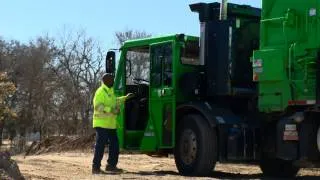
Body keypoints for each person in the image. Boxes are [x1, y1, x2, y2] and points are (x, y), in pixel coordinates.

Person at [92, 73, 132, 174]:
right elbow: (98, 106)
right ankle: (95, 168)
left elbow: (115, 101)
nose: (113, 81)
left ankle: (111, 166)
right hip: (101, 124)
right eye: (112, 80)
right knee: (100, 146)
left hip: (110, 124)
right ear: (105, 80)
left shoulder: (110, 91)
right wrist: (112, 110)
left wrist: (125, 98)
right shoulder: (100, 92)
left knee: (115, 145)